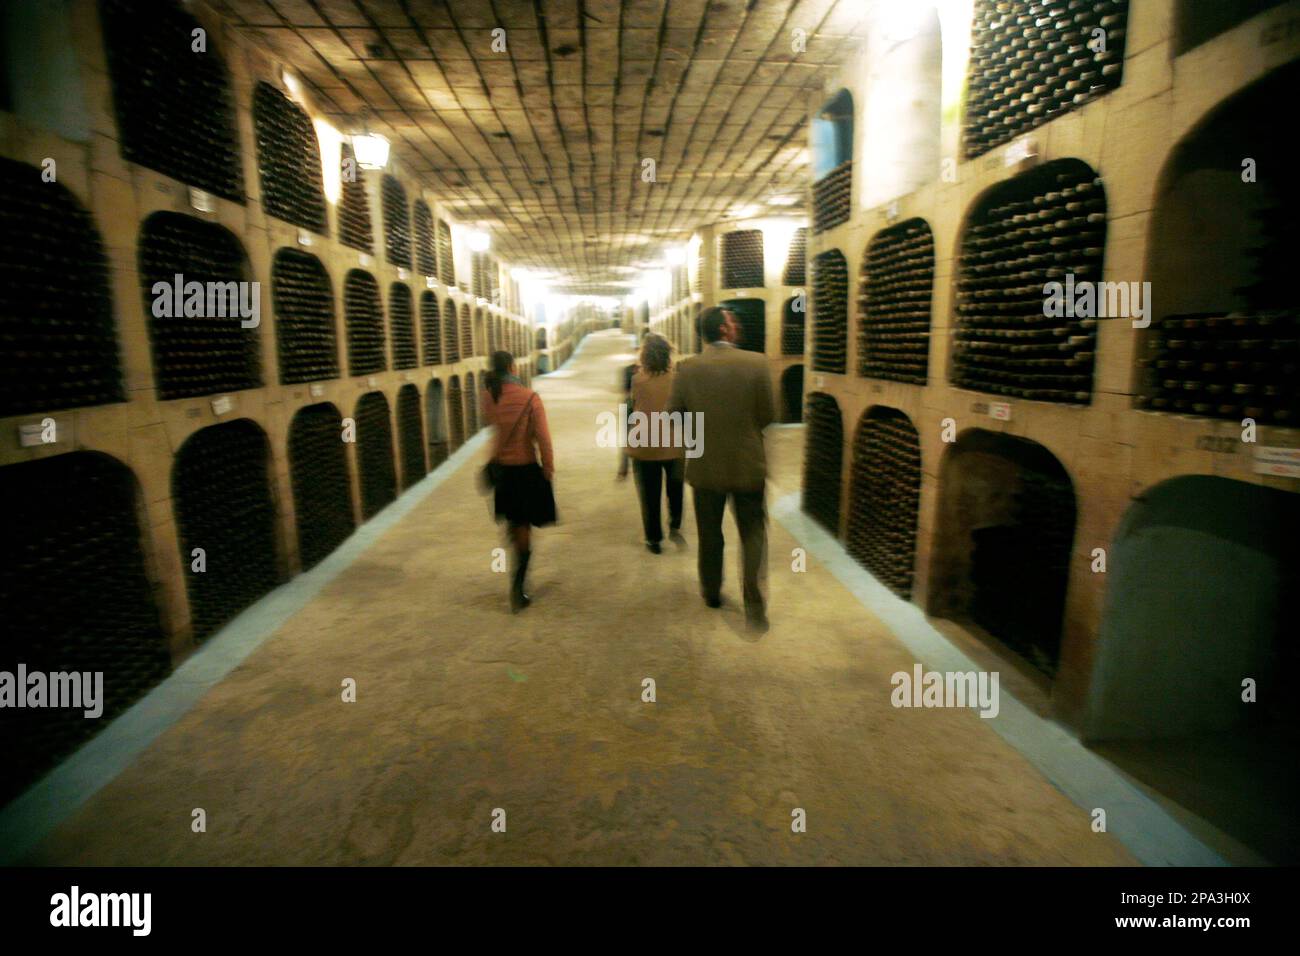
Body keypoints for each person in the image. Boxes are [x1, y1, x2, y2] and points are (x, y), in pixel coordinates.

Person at [670, 306, 776, 633]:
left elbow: (674, 415)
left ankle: (712, 592)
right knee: (753, 534)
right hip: (747, 465)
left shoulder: (687, 369)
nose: (737, 325)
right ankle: (754, 604)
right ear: (725, 330)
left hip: (705, 467)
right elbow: (769, 414)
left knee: (710, 534)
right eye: (733, 321)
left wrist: (701, 436)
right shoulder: (756, 363)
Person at [482, 350, 556, 612]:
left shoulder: (489, 396)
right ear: (513, 367)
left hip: (502, 471)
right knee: (524, 528)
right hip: (524, 469)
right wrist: (548, 466)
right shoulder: (530, 398)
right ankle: (518, 585)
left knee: (515, 522)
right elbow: (543, 437)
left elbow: (495, 430)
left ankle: (516, 565)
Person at [626, 333, 684, 554]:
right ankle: (675, 522)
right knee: (675, 487)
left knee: (649, 494)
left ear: (645, 355)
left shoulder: (637, 379)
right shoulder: (677, 378)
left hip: (645, 445)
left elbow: (634, 406)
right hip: (673, 443)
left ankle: (654, 539)